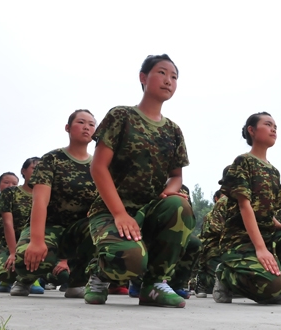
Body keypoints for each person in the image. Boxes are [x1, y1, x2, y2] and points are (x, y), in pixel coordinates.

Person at [84, 54, 195, 308]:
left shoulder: (173, 130)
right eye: (162, 73)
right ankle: (99, 273)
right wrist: (120, 213)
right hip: (112, 212)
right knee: (130, 259)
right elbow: (98, 167)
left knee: (180, 206)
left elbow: (176, 176)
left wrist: (169, 192)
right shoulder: (121, 116)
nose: (169, 80)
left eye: (174, 77)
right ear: (143, 78)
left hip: (150, 211)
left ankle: (154, 284)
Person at [213, 112, 281, 305]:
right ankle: (225, 274)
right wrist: (260, 249)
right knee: (270, 289)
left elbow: (264, 207)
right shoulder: (242, 162)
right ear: (251, 130)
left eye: (276, 127)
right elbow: (245, 205)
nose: (273, 130)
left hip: (268, 238)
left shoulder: (273, 171)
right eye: (268, 125)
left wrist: (276, 223)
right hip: (241, 242)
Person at [12, 109, 98, 299]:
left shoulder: (99, 165)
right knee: (28, 260)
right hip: (49, 227)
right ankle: (25, 279)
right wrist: (36, 241)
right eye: (81, 122)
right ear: (68, 127)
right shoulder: (52, 159)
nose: (86, 127)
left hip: (78, 231)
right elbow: (40, 202)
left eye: (91, 124)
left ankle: (78, 281)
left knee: (100, 230)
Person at [0, 158, 41, 292]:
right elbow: (8, 223)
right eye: (34, 168)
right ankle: (7, 279)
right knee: (5, 272)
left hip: (35, 242)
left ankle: (32, 277)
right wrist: (13, 253)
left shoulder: (48, 193)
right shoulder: (11, 193)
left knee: (58, 273)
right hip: (11, 242)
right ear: (23, 171)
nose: (38, 171)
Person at [195, 167, 230, 298]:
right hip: (218, 247)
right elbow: (217, 230)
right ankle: (202, 278)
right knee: (217, 285)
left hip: (237, 244)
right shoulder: (223, 202)